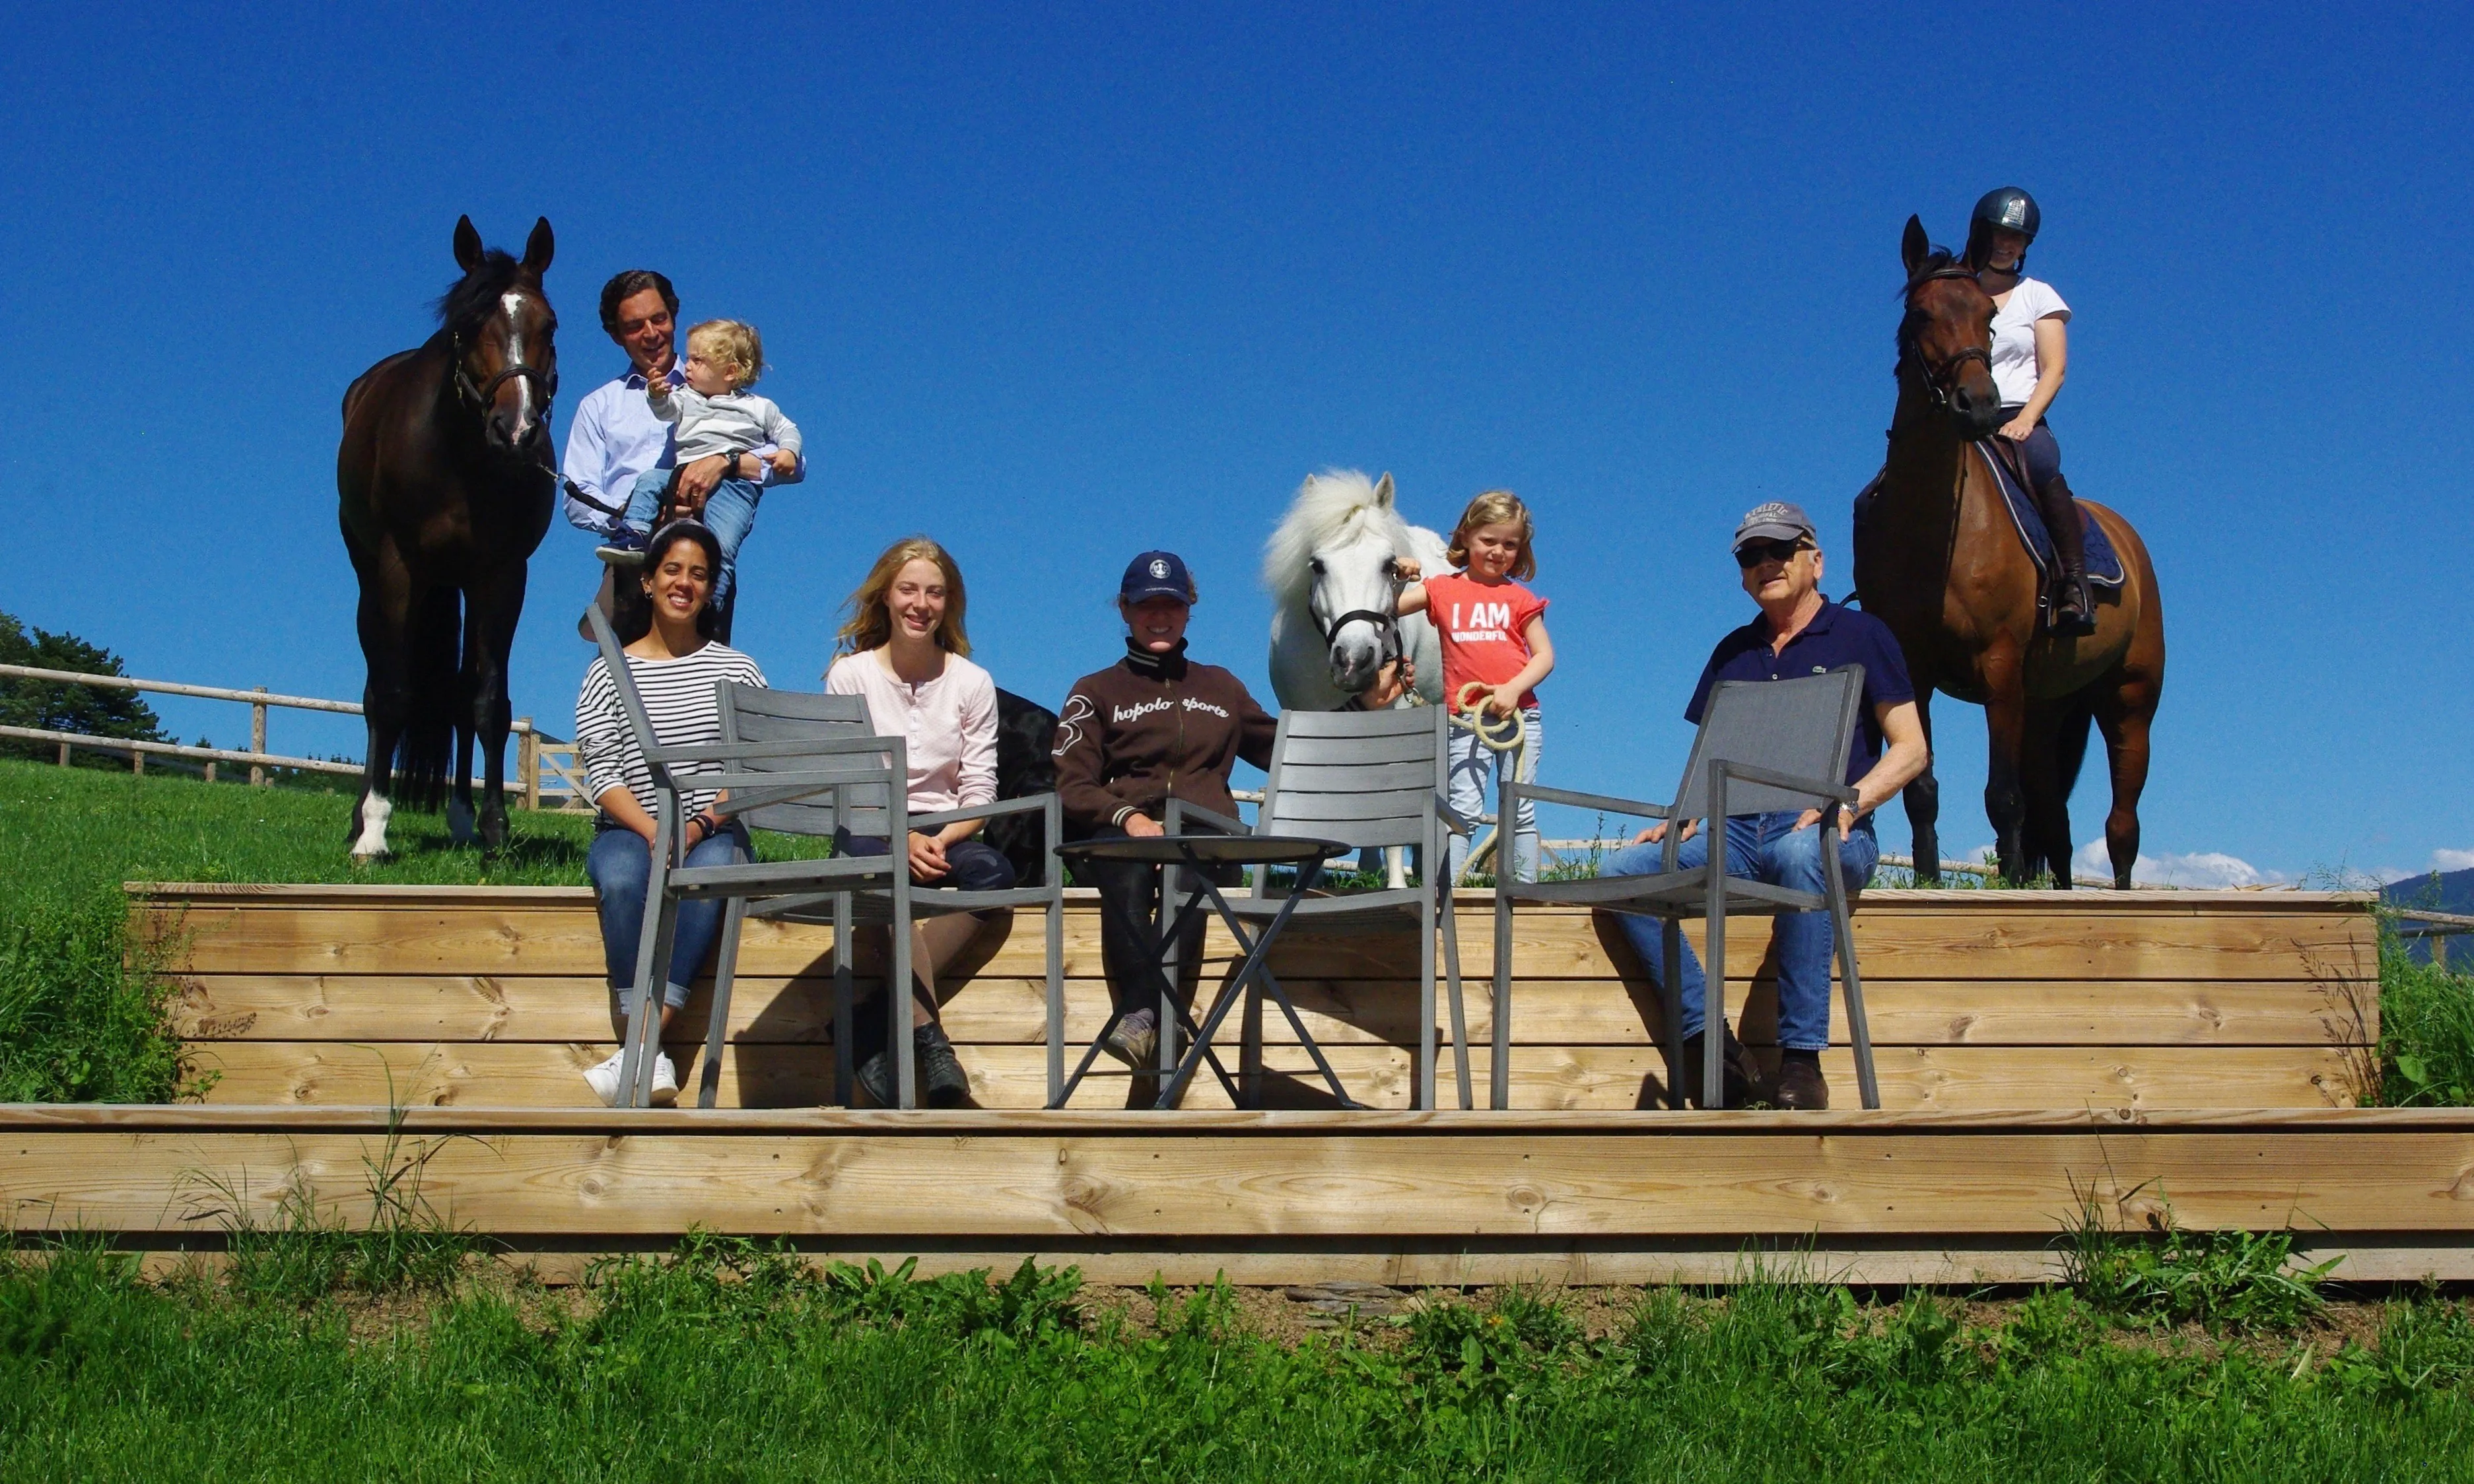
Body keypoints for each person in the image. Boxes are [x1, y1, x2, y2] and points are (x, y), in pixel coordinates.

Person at [1595, 502, 1927, 1110]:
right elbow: (1711, 752)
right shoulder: (1732, 651)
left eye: (1779, 550)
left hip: (1829, 829)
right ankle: (1709, 1046)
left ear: (1816, 561)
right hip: (1736, 831)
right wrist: (1682, 811)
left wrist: (1848, 802)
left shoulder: (1863, 635)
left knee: (1803, 850)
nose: (1765, 563)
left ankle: (1801, 1062)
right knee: (1622, 874)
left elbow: (1910, 749)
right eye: (1751, 556)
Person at [1053, 551, 1276, 1070]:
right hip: (1124, 836)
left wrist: (1362, 705)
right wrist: (1129, 819)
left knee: (1185, 866)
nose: (1159, 616)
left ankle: (1140, 1019)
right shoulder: (1095, 690)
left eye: (1171, 606)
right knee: (1128, 867)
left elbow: (1284, 749)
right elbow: (1072, 779)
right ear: (1125, 610)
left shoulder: (1221, 687)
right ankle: (1161, 1016)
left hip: (1204, 838)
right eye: (1147, 605)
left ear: (1188, 611)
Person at [572, 520, 765, 1106]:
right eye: (673, 570)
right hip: (631, 824)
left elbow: (750, 770)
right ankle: (647, 1054)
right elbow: (602, 771)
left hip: (715, 828)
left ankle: (641, 1045)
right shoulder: (608, 671)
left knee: (713, 871)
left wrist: (698, 825)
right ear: (650, 582)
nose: (685, 583)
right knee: (626, 876)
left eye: (699, 574)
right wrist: (656, 830)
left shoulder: (738, 670)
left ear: (712, 589)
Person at [824, 537, 1014, 1108]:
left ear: (948, 603)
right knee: (888, 880)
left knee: (996, 875)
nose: (920, 603)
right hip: (866, 826)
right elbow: (849, 782)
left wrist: (937, 837)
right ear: (885, 596)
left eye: (934, 592)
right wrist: (897, 836)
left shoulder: (971, 682)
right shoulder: (849, 676)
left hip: (946, 827)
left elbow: (979, 789)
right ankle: (930, 1042)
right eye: (908, 589)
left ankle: (874, 1024)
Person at [596, 320, 803, 642]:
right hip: (682, 474)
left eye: (697, 361)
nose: (687, 366)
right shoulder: (686, 397)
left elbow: (786, 431)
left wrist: (789, 450)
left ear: (731, 372)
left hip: (736, 489)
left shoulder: (758, 407)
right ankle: (634, 534)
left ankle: (712, 607)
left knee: (721, 546)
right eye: (689, 359)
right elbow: (665, 411)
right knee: (650, 480)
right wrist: (656, 394)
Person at [1393, 490, 1555, 882]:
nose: (1498, 551)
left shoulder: (1520, 599)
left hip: (1520, 717)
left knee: (1520, 806)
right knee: (1462, 806)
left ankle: (1524, 890)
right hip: (1465, 719)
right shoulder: (1441, 589)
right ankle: (1448, 889)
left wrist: (1513, 689)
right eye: (1489, 540)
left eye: (1510, 544)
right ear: (1466, 537)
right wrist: (1394, 572)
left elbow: (1545, 656)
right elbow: (1388, 609)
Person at [1964, 186, 2090, 634]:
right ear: (1980, 234)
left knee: (2041, 463)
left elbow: (2053, 369)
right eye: (1998, 234)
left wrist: (2026, 419)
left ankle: (2074, 581)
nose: (2005, 244)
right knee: (1876, 494)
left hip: (2015, 415)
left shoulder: (2038, 295)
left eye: (2015, 238)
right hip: (1961, 420)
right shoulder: (1959, 291)